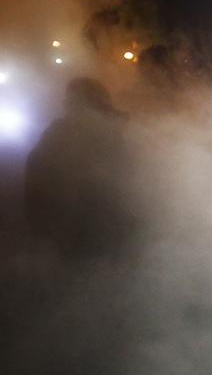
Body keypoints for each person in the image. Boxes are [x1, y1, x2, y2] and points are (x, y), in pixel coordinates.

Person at [25, 78, 135, 257]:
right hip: (108, 229)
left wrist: (39, 225)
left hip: (75, 227)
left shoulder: (60, 132)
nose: (66, 102)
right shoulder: (120, 130)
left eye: (70, 98)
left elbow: (36, 175)